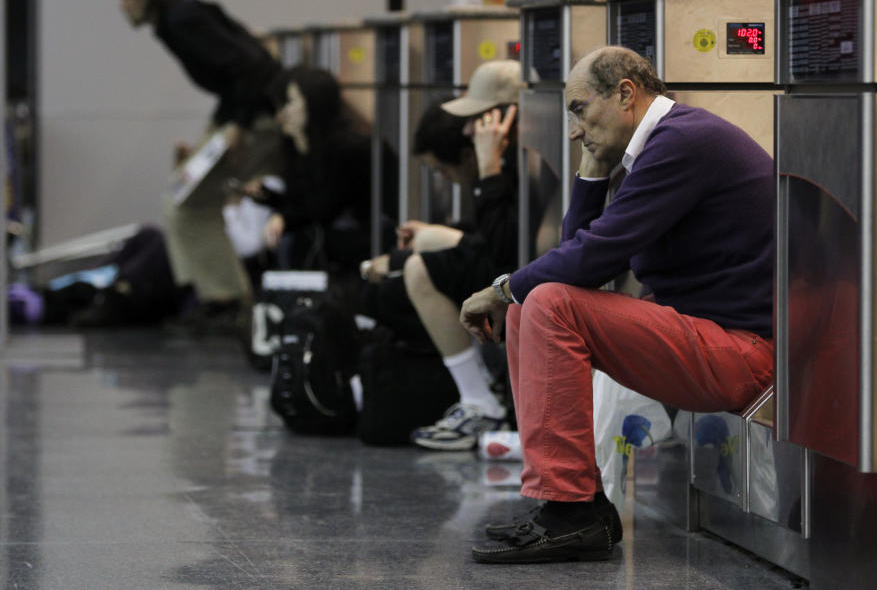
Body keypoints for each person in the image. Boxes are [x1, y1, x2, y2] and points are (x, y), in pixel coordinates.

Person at [460, 46, 774, 563]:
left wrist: (499, 287)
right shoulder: (657, 146)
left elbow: (590, 259)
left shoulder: (684, 143)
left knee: (546, 302)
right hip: (708, 334)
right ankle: (565, 504)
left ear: (625, 94)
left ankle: (575, 510)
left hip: (744, 351)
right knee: (531, 304)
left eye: (580, 109)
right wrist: (590, 169)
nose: (574, 129)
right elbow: (579, 253)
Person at [360, 60, 526, 449]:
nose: (468, 131)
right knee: (424, 245)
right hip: (515, 262)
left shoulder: (507, 166)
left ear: (504, 118)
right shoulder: (512, 161)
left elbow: (503, 253)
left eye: (478, 119)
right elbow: (491, 238)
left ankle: (480, 402)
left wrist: (488, 170)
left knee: (419, 269)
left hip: (523, 275)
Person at [116, 0, 284, 333]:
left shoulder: (182, 20)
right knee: (185, 201)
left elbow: (251, 67)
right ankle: (224, 299)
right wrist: (217, 124)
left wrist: (236, 125)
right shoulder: (180, 18)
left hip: (258, 119)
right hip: (248, 114)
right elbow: (234, 72)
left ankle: (226, 302)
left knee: (186, 204)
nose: (122, 6)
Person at [252, 66, 376, 277]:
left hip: (357, 238)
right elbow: (303, 200)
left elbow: (325, 206)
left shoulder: (347, 148)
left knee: (298, 240)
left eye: (291, 102)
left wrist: (286, 218)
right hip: (334, 234)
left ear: (312, 104)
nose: (283, 114)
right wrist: (270, 198)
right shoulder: (301, 146)